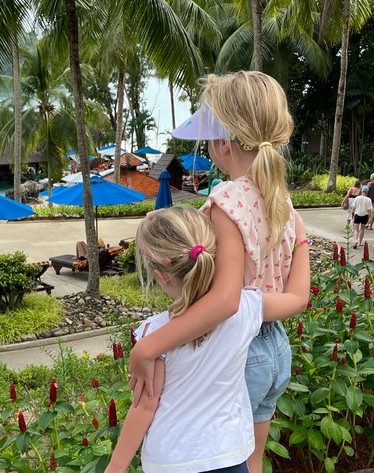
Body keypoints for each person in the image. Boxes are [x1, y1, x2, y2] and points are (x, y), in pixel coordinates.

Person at [129, 70, 311, 473]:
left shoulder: (226, 200)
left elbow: (226, 300)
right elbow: (299, 297)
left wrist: (148, 346)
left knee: (213, 455)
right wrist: (300, 241)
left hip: (237, 351)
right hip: (276, 350)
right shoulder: (279, 196)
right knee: (252, 460)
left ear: (222, 142)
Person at [105, 206, 264, 473]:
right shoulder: (248, 306)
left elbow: (145, 405)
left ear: (161, 275)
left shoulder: (155, 332)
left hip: (172, 459)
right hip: (230, 455)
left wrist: (116, 467)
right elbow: (296, 300)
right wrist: (301, 240)